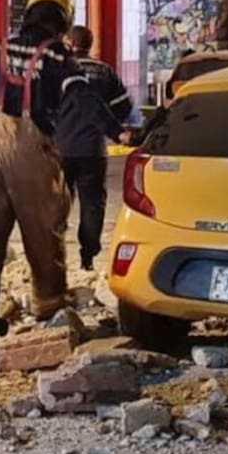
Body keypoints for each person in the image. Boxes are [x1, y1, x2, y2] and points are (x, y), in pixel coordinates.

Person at [0, 0, 118, 335]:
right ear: (62, 21)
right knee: (43, 231)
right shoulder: (58, 58)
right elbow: (84, 100)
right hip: (31, 153)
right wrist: (120, 132)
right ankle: (49, 305)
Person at [65, 25, 133, 272]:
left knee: (57, 204)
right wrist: (111, 126)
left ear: (68, 42)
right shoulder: (105, 72)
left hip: (60, 148)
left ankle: (54, 252)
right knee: (92, 203)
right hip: (93, 149)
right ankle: (87, 258)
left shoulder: (59, 70)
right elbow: (124, 106)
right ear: (90, 44)